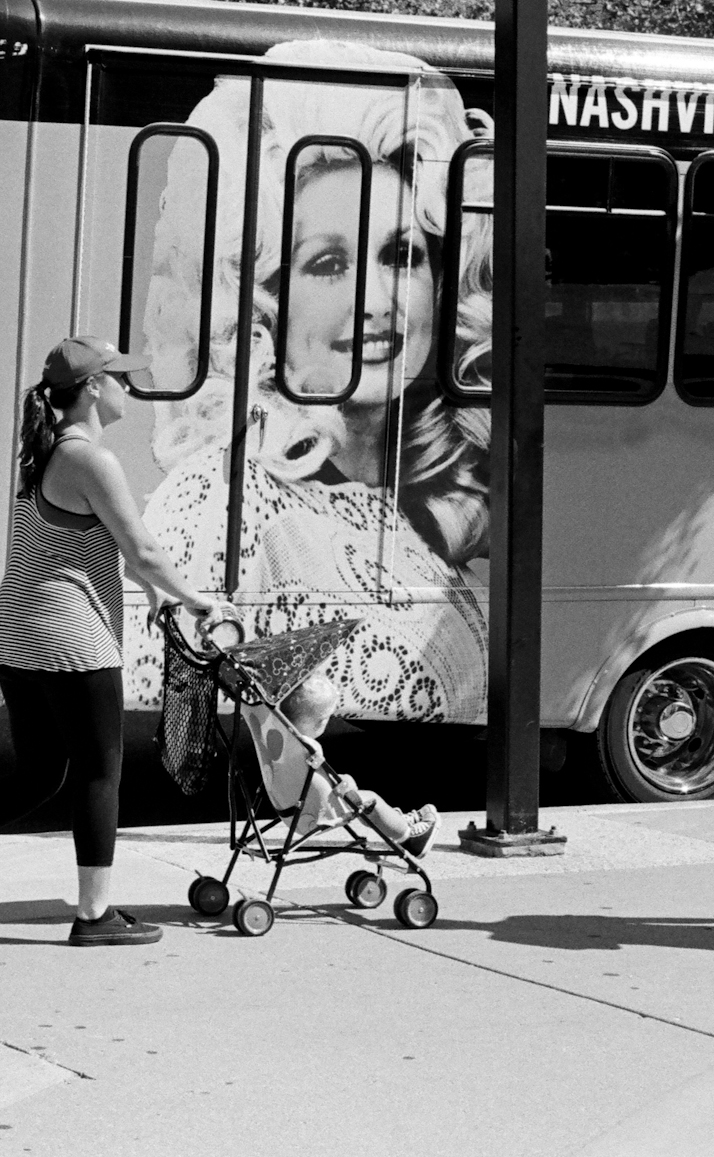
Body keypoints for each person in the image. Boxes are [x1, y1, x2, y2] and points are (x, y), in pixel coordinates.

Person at [124, 40, 493, 724]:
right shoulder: (218, 500)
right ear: (259, 298)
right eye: (328, 264)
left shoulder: (413, 497)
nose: (377, 299)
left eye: (401, 255)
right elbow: (174, 698)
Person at [0, 336, 220, 946]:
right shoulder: (92, 459)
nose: (130, 389)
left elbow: (76, 546)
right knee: (101, 771)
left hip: (16, 634)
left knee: (40, 773)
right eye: (119, 378)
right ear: (92, 389)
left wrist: (150, 589)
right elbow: (143, 547)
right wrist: (197, 598)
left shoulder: (42, 453)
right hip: (70, 642)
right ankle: (94, 915)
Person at [256, 672, 438, 855]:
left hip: (287, 810)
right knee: (369, 800)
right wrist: (348, 782)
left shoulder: (277, 739)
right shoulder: (308, 749)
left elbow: (310, 780)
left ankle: (394, 821)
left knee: (354, 795)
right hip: (316, 815)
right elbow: (329, 786)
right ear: (320, 723)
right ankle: (408, 837)